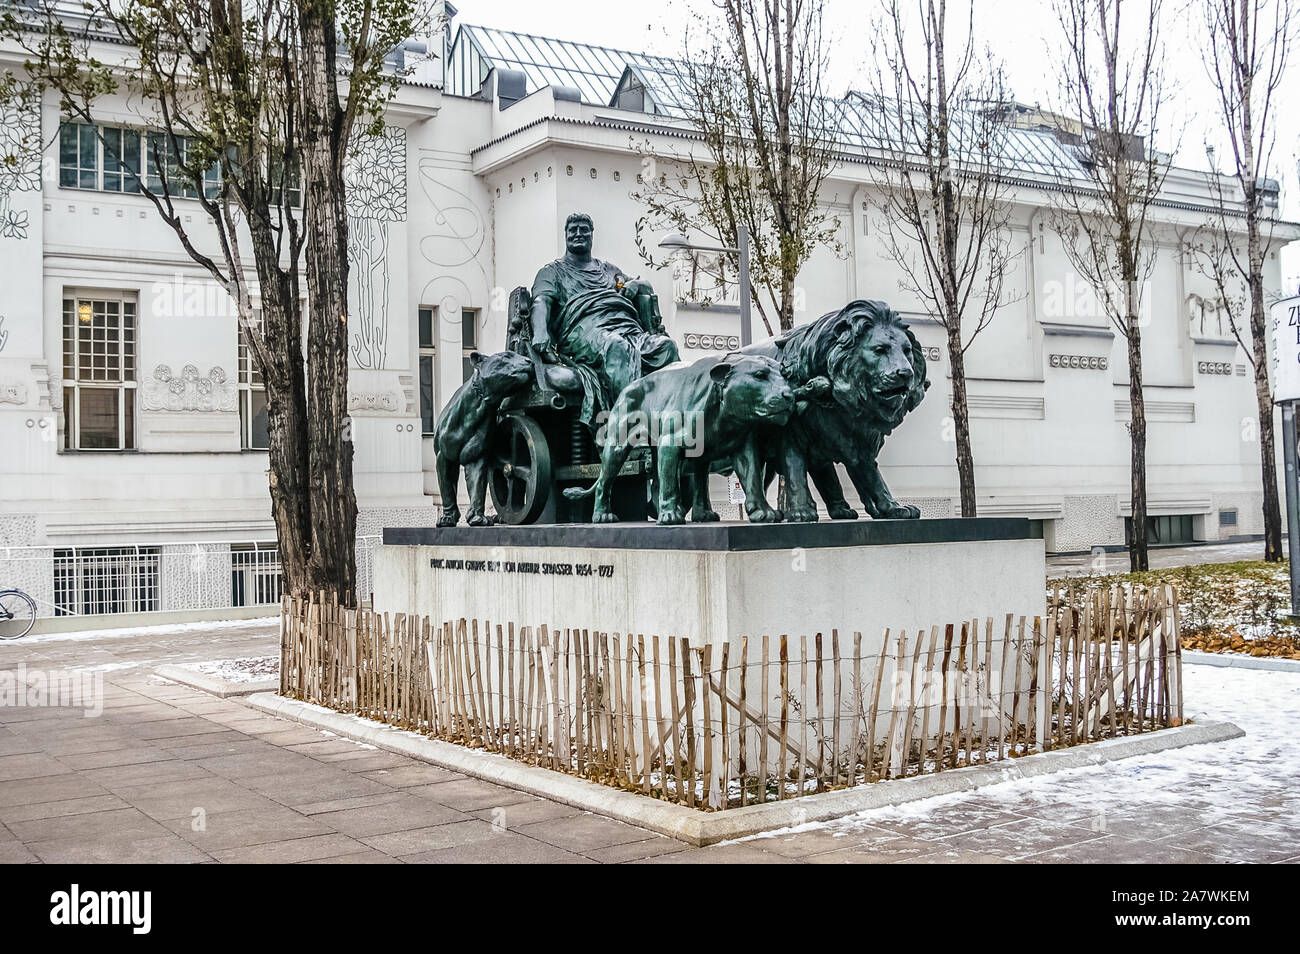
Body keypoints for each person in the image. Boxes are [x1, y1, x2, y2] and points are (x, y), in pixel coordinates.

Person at [528, 212, 679, 428]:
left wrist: (636, 285)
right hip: (584, 332)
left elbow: (643, 284)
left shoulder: (609, 270)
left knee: (666, 347)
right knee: (616, 347)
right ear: (566, 235)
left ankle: (674, 425)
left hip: (627, 328)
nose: (578, 234)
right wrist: (541, 331)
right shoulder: (552, 272)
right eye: (573, 230)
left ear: (592, 235)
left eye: (584, 229)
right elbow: (541, 301)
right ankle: (631, 429)